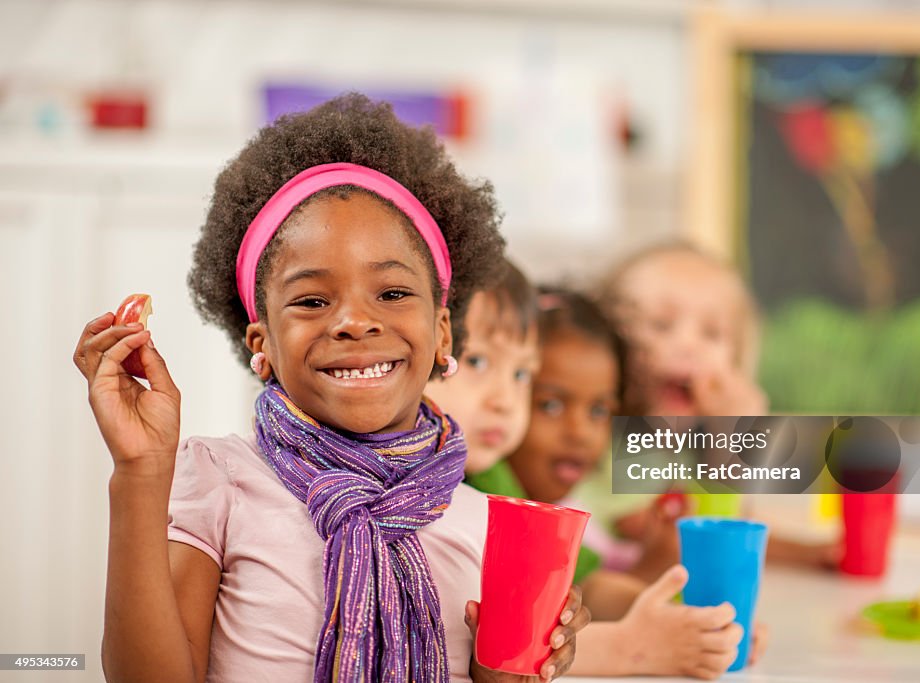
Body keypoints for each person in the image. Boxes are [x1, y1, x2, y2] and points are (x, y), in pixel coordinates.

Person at [72, 93, 587, 683]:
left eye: (392, 293)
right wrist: (140, 472)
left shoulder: (490, 526)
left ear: (443, 332)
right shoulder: (220, 478)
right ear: (260, 346)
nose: (355, 322)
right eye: (313, 300)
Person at [437, 280, 757, 678]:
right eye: (551, 404)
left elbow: (589, 583)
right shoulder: (483, 482)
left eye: (599, 411)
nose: (580, 433)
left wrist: (692, 624)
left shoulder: (531, 498)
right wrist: (649, 637)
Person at [598, 241, 840, 569]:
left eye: (712, 333)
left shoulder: (683, 446)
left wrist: (811, 554)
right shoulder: (611, 439)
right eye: (661, 325)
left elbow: (733, 523)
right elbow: (698, 537)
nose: (688, 345)